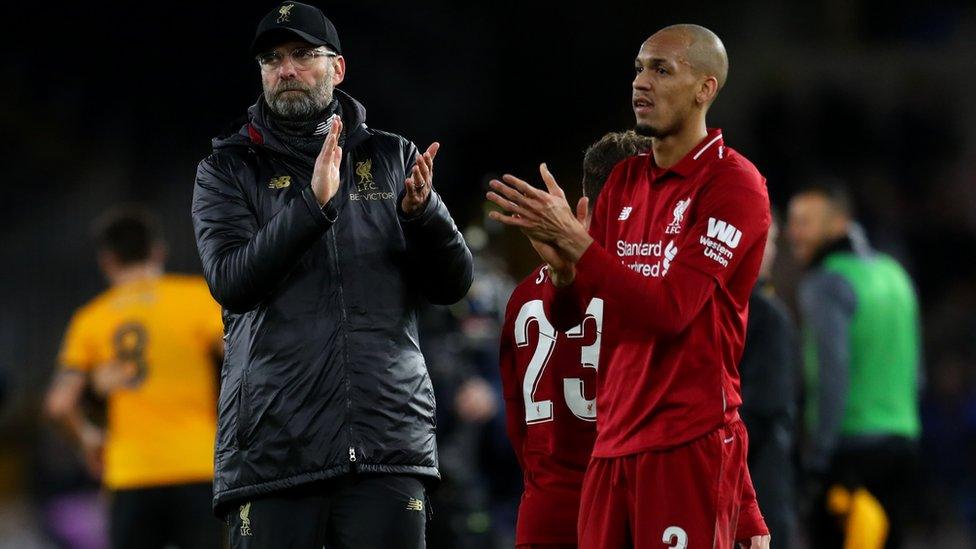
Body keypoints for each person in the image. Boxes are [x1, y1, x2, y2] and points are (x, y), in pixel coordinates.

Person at [191, 3, 473, 548]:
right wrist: (312, 207)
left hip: (385, 443)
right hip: (275, 448)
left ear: (337, 68)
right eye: (273, 59)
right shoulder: (226, 168)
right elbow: (230, 281)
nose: (286, 70)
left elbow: (452, 285)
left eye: (302, 55)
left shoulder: (392, 158)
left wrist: (424, 217)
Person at [486, 24, 771, 549]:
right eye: (639, 69)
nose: (641, 82)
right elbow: (575, 318)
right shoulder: (623, 182)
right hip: (611, 447)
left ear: (706, 88)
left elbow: (671, 311)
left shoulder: (733, 184)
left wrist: (581, 249)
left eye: (662, 70)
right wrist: (566, 276)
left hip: (685, 444)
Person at [499, 130, 651, 549]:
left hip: (543, 513)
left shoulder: (523, 295)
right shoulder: (645, 289)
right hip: (627, 507)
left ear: (584, 206)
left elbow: (515, 419)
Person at [45, 207, 223, 549]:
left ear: (107, 260)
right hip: (198, 464)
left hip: (130, 473)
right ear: (158, 250)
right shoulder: (196, 298)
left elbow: (58, 404)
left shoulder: (91, 320)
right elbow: (243, 360)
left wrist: (87, 438)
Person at [786, 182, 921, 548]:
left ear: (839, 224)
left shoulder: (825, 282)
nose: (793, 232)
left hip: (850, 454)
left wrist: (817, 459)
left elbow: (830, 373)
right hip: (902, 445)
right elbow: (916, 372)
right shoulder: (895, 274)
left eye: (806, 222)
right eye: (792, 221)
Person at [738, 211, 799, 547]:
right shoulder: (763, 313)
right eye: (770, 240)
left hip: (742, 482)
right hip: (759, 483)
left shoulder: (718, 307)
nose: (773, 250)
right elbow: (765, 405)